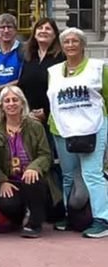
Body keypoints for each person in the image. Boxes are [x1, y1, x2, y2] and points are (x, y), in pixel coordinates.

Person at [47, 27, 108, 238]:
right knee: (67, 175)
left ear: (83, 45)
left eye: (75, 41)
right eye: (67, 41)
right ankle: (69, 214)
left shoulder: (98, 68)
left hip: (93, 126)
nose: (71, 45)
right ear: (62, 46)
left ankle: (102, 219)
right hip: (62, 128)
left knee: (92, 174)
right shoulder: (53, 71)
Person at [0, 86, 57, 238]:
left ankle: (35, 223)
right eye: (7, 101)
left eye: (15, 100)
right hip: (11, 181)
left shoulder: (35, 126)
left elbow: (46, 155)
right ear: (1, 106)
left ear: (22, 103)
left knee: (32, 180)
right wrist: (2, 181)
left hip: (33, 180)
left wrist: (34, 167)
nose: (11, 104)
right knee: (7, 204)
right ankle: (18, 218)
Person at [17, 17, 63, 125]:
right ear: (34, 33)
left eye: (48, 28)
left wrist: (46, 111)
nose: (43, 31)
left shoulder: (61, 57)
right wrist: (26, 111)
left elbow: (62, 89)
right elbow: (22, 85)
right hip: (29, 117)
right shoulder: (29, 56)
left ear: (55, 35)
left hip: (53, 118)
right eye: (40, 28)